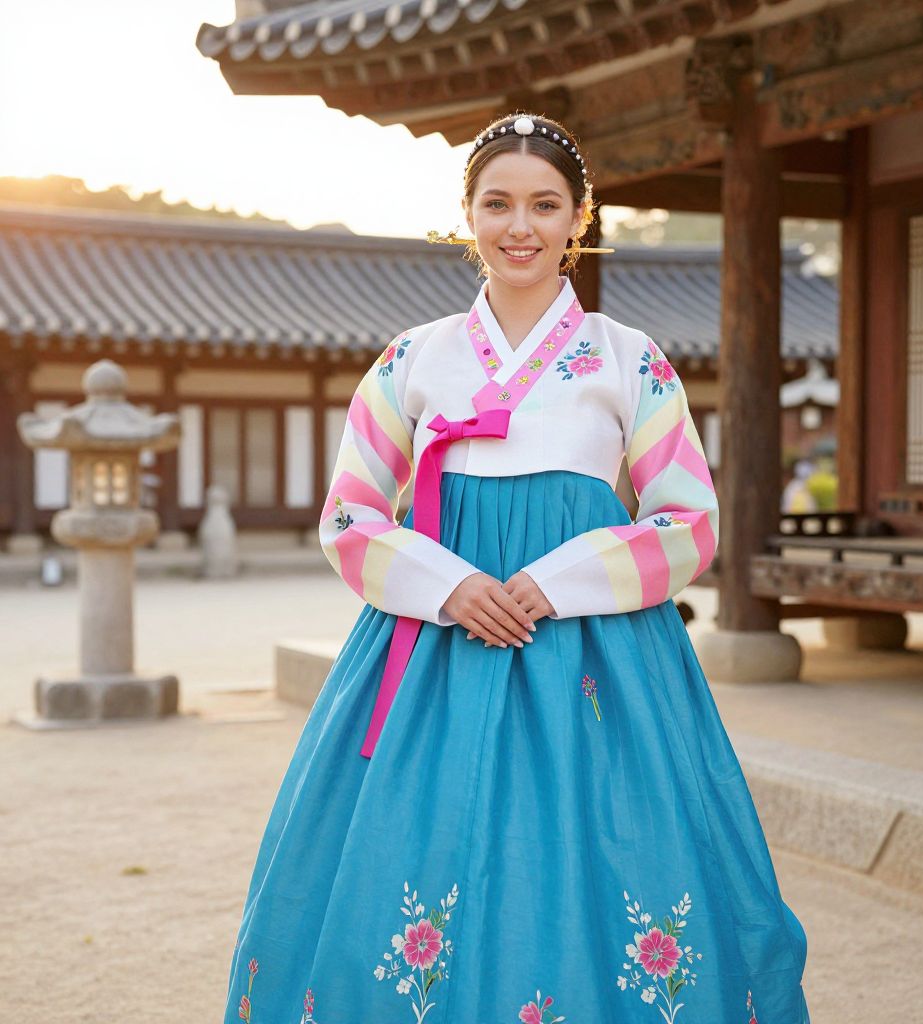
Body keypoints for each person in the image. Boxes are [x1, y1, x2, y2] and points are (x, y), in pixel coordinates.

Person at [221, 112, 810, 1024]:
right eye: (497, 204)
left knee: (605, 852)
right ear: (468, 216)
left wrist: (560, 580)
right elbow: (348, 513)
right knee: (404, 854)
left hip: (594, 659)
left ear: (580, 216)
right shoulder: (412, 360)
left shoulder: (631, 359)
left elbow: (690, 522)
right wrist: (448, 585)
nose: (520, 226)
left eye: (545, 204)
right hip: (432, 650)